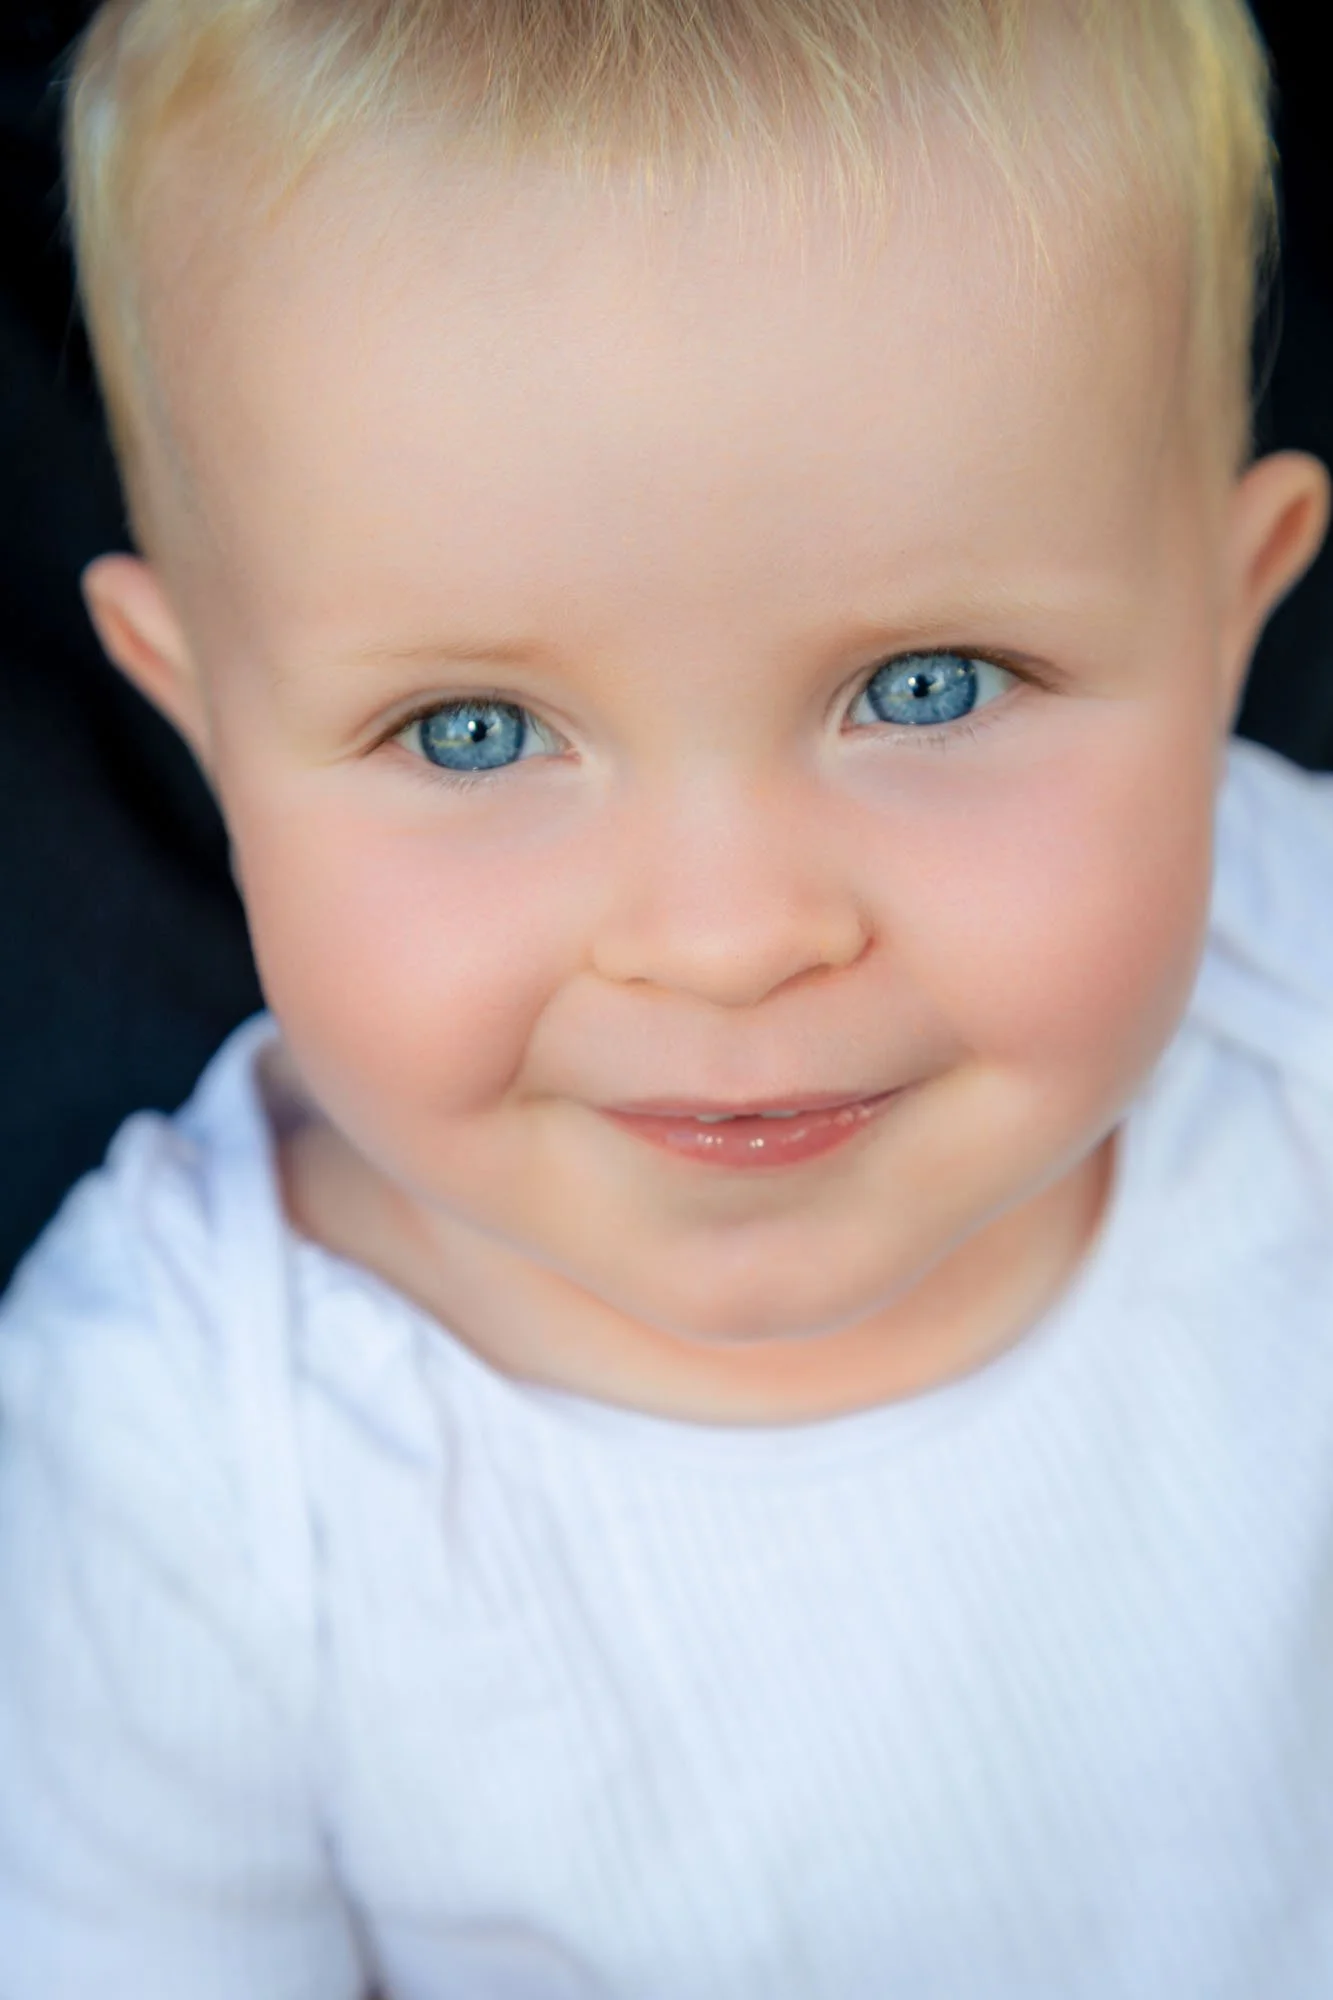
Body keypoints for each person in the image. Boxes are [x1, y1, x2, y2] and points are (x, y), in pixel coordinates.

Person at [2, 0, 1331, 1991]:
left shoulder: (1297, 993)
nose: (727, 940)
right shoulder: (193, 1454)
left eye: (930, 685)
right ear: (202, 721)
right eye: (469, 730)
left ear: (1237, 616)